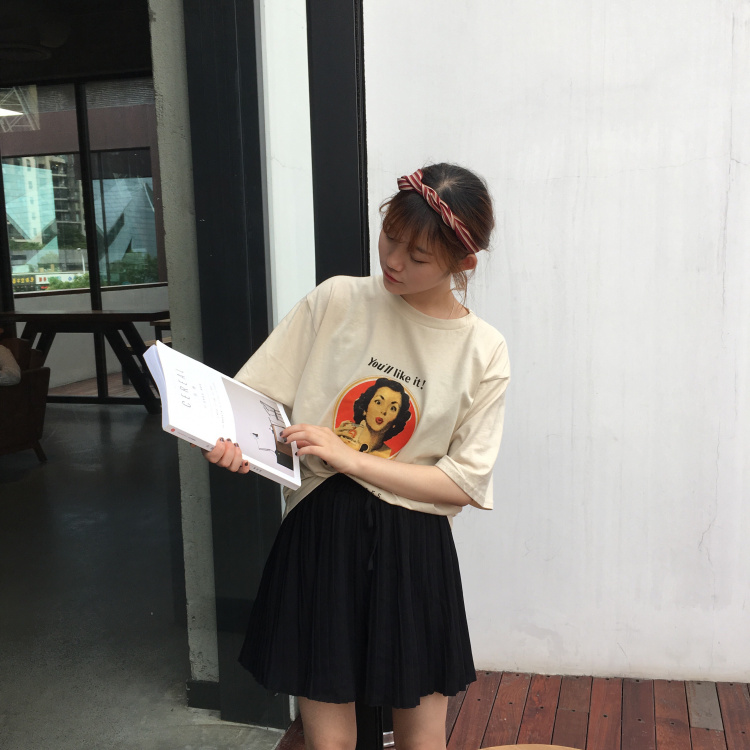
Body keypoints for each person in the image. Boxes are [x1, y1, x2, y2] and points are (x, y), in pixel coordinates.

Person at [202, 163, 510, 750]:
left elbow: (463, 484)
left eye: (417, 257)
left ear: (463, 264)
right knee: (330, 741)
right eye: (389, 238)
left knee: (422, 736)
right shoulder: (337, 299)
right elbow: (255, 401)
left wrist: (350, 458)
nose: (393, 261)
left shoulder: (483, 349)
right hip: (321, 531)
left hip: (415, 547)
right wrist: (233, 443)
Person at [334, 377, 412, 457]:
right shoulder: (342, 435)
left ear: (397, 419)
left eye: (392, 408)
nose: (384, 411)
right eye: (378, 402)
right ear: (365, 407)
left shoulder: (393, 457)